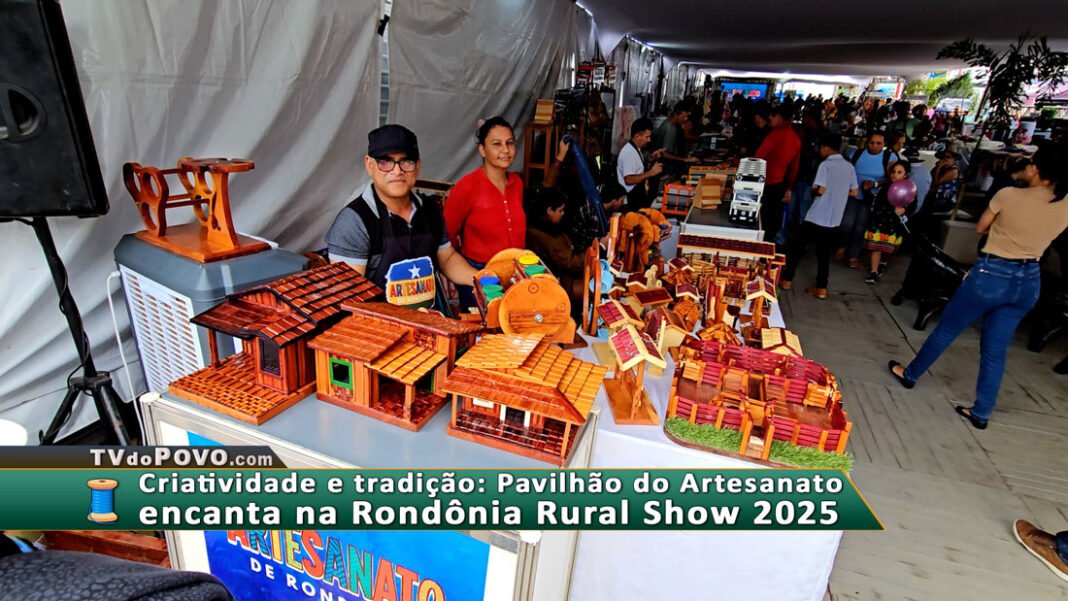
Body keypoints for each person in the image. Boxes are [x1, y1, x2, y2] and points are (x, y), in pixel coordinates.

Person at [888, 142, 1068, 428]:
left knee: (947, 329)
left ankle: (910, 374)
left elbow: (981, 227)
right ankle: (981, 412)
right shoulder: (1064, 202)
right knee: (995, 349)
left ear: (1036, 168)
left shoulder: (1009, 195)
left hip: (992, 273)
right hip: (1029, 280)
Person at [326, 124, 477, 301]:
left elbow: (447, 259)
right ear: (369, 165)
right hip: (378, 326)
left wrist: (479, 279)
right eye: (385, 162)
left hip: (431, 321)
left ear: (418, 165)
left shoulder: (430, 210)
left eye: (406, 161)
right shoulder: (354, 222)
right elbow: (350, 299)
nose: (397, 171)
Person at [443, 117, 527, 309]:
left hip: (515, 272)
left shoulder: (517, 183)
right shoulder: (466, 187)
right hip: (479, 273)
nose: (505, 150)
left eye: (510, 143)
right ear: (482, 150)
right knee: (484, 332)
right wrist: (466, 268)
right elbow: (447, 236)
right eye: (496, 144)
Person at [780, 132, 859, 299]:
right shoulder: (849, 167)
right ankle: (822, 287)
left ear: (825, 147)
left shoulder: (825, 165)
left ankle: (787, 280)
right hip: (834, 218)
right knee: (823, 254)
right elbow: (854, 191)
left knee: (798, 247)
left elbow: (821, 189)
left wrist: (813, 190)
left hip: (817, 215)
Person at [837, 131, 897, 267]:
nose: (874, 146)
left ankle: (853, 254)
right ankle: (842, 246)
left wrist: (875, 184)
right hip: (853, 195)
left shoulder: (889, 157)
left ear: (884, 144)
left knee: (860, 227)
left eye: (878, 143)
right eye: (871, 143)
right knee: (846, 223)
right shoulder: (857, 154)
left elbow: (892, 177)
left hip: (872, 198)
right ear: (866, 142)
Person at [525, 186, 586, 312]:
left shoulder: (535, 225)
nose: (563, 213)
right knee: (590, 289)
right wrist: (597, 248)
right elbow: (571, 263)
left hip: (553, 275)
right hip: (555, 282)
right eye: (560, 210)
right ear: (549, 211)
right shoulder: (548, 235)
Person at [754, 105, 802, 245]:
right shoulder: (796, 139)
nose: (770, 121)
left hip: (766, 184)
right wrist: (788, 188)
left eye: (772, 118)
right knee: (773, 223)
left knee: (760, 222)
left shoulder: (775, 135)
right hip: (780, 185)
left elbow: (757, 158)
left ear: (779, 117)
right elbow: (794, 169)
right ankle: (767, 252)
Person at [863, 160, 912, 283]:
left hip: (894, 224)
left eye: (899, 172)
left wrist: (904, 210)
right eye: (893, 172)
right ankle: (873, 272)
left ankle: (883, 263)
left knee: (888, 248)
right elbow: (876, 202)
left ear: (906, 174)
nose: (895, 174)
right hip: (879, 222)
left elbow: (912, 204)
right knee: (876, 247)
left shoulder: (908, 188)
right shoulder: (884, 187)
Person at [617, 117, 663, 211]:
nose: (649, 140)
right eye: (647, 137)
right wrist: (651, 173)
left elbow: (637, 170)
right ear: (637, 136)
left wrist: (650, 160)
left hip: (638, 198)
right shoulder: (628, 152)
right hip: (631, 202)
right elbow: (628, 179)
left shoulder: (636, 149)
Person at [651, 101, 699, 175]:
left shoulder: (674, 125)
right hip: (665, 169)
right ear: (676, 114)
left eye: (687, 117)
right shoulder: (670, 128)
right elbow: (665, 153)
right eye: (684, 116)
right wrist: (685, 160)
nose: (686, 119)